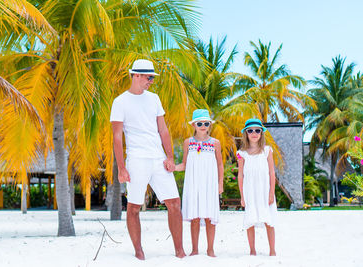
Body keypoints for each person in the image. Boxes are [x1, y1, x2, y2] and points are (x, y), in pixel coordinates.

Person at [110, 59, 186, 260]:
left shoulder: (154, 99)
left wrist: (169, 157)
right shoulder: (120, 102)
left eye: (152, 77)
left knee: (175, 203)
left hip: (158, 158)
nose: (151, 81)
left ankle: (180, 250)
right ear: (136, 75)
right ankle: (139, 251)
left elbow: (163, 129)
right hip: (136, 160)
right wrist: (121, 168)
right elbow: (117, 137)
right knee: (134, 207)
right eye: (148, 77)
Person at [175, 109, 224, 257]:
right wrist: (172, 168)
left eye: (206, 123)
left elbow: (220, 164)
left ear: (210, 125)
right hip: (193, 184)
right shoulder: (187, 143)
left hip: (209, 184)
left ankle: (210, 249)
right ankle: (195, 249)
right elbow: (184, 164)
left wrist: (220, 184)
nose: (203, 125)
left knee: (210, 217)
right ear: (194, 125)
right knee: (194, 217)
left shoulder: (216, 143)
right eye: (200, 123)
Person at [236, 118, 277, 256]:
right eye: (250, 130)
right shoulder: (241, 153)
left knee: (269, 220)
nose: (254, 133)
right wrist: (242, 196)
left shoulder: (267, 150)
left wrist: (271, 193)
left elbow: (272, 172)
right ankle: (252, 250)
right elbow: (240, 175)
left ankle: (272, 250)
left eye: (257, 130)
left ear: (261, 133)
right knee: (250, 220)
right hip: (250, 191)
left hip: (265, 191)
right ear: (246, 134)